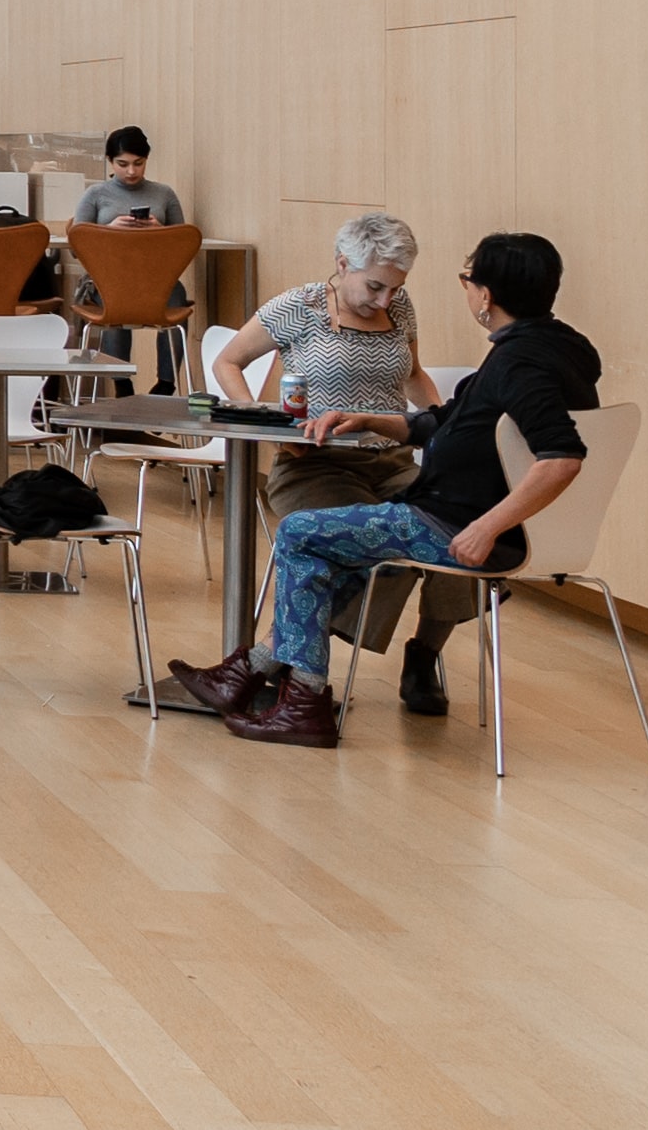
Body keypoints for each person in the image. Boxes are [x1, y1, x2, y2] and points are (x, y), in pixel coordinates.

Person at [169, 232, 599, 746]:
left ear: (485, 296)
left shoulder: (520, 364)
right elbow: (444, 423)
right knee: (335, 547)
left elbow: (563, 457)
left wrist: (488, 527)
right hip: (441, 505)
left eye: (468, 280)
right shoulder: (558, 348)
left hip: (453, 521)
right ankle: (252, 673)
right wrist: (368, 418)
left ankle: (300, 703)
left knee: (303, 535)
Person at [203, 211, 475, 697]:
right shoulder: (300, 305)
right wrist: (261, 418)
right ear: (342, 263)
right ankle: (294, 669)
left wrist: (443, 425)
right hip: (316, 466)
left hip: (389, 461)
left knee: (464, 524)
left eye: (395, 288)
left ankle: (423, 655)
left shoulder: (401, 307)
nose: (385, 299)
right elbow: (229, 361)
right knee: (376, 547)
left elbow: (412, 375)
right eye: (374, 287)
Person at [63, 128, 190, 384]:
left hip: (155, 279)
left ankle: (166, 384)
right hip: (107, 278)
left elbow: (182, 244)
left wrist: (159, 231)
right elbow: (78, 246)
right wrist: (108, 230)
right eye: (123, 164)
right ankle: (121, 382)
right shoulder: (95, 195)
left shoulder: (164, 194)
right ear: (110, 162)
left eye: (138, 164)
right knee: (117, 302)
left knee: (177, 298)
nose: (131, 171)